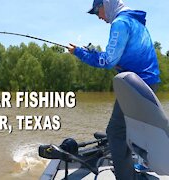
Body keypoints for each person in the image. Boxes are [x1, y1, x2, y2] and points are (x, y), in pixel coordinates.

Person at [67, 0, 160, 179]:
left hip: (136, 86)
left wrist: (79, 52)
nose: (99, 16)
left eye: (97, 11)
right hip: (148, 82)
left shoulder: (120, 23)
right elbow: (130, 55)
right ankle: (137, 166)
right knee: (133, 129)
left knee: (115, 132)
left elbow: (107, 61)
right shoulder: (134, 21)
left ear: (107, 4)